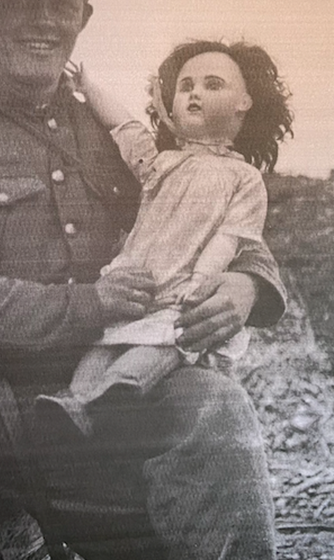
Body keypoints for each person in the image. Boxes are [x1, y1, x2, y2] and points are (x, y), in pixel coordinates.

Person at [0, 0, 287, 560]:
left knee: (215, 408)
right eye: (19, 2)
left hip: (106, 399)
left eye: (59, 3)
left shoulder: (104, 130)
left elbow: (204, 199)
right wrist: (89, 306)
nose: (43, 21)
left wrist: (248, 282)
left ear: (84, 17)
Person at [37, 41, 293, 435]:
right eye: (186, 85)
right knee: (103, 346)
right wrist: (88, 87)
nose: (194, 92)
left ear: (245, 102)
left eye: (212, 84)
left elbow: (231, 238)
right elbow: (124, 126)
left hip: (182, 293)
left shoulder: (243, 179)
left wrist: (201, 285)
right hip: (133, 286)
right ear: (169, 106)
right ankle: (73, 404)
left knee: (158, 345)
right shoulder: (161, 164)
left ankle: (115, 395)